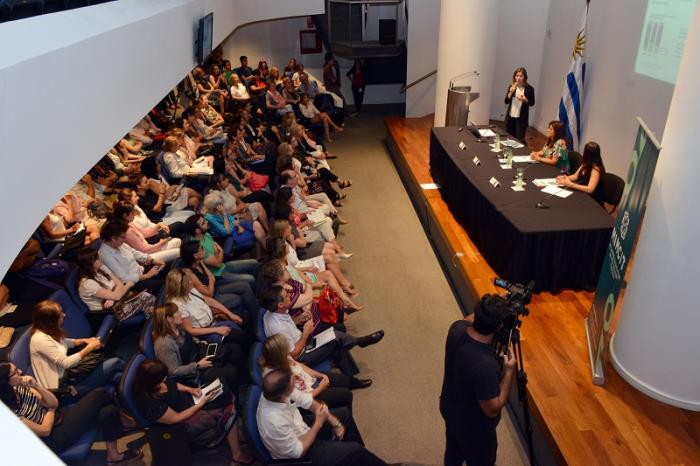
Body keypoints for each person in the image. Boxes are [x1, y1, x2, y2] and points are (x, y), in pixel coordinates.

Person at [0, 363, 141, 464]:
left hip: (58, 418)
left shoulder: (21, 388)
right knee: (100, 393)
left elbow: (53, 402)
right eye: (15, 372)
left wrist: (36, 385)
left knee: (107, 411)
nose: (20, 371)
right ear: (6, 382)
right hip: (53, 439)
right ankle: (129, 419)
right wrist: (51, 410)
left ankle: (113, 456)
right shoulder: (10, 414)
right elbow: (45, 431)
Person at [440, 294, 516, 466]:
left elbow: (468, 319)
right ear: (497, 327)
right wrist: (509, 371)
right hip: (474, 429)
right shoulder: (485, 366)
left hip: (450, 410)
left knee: (453, 455)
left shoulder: (456, 329)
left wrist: (491, 307)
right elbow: (492, 408)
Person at [132, 359, 252, 465]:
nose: (165, 379)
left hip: (190, 403)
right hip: (182, 425)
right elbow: (176, 418)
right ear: (152, 381)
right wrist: (201, 404)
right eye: (162, 378)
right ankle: (237, 454)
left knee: (226, 395)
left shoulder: (157, 379)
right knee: (228, 408)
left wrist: (190, 389)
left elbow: (174, 384)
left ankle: (231, 432)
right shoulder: (149, 403)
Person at [257, 368, 388, 465]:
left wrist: (333, 422)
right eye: (293, 383)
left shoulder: (273, 392)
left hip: (300, 428)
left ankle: (361, 460)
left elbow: (306, 400)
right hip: (302, 453)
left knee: (344, 415)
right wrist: (319, 422)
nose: (296, 381)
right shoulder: (273, 421)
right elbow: (298, 451)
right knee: (355, 449)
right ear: (284, 393)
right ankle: (361, 457)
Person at [259, 285, 382, 388]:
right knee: (335, 339)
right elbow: (294, 354)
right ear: (280, 304)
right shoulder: (277, 328)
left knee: (337, 341)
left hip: (303, 342)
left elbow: (287, 323)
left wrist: (299, 319)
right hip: (302, 355)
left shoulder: (274, 312)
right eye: (286, 296)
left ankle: (352, 381)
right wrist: (306, 332)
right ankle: (360, 342)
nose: (290, 296)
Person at [29, 300, 125, 400]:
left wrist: (85, 340)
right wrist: (90, 347)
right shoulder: (40, 340)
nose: (64, 315)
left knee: (116, 376)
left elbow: (65, 342)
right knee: (115, 363)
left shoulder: (47, 331)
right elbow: (65, 363)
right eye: (60, 314)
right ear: (51, 321)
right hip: (63, 389)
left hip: (71, 375)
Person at [152, 304, 244, 391]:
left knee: (235, 350)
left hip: (201, 354)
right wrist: (197, 366)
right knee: (231, 372)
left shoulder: (178, 327)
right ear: (169, 319)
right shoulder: (164, 344)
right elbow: (173, 371)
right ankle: (237, 397)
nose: (181, 313)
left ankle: (241, 384)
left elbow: (191, 340)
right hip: (195, 372)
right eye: (177, 312)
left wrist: (201, 343)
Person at [259, 334, 352, 410]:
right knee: (346, 395)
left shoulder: (283, 357)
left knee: (342, 380)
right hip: (310, 396)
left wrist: (319, 375)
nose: (289, 349)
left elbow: (301, 366)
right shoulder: (277, 378)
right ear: (279, 354)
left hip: (312, 382)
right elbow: (300, 401)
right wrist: (321, 387)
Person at [98, 220, 167, 292]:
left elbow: (135, 253)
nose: (125, 239)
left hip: (141, 271)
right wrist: (147, 276)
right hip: (133, 284)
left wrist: (152, 260)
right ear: (113, 238)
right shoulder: (105, 254)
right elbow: (123, 278)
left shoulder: (118, 244)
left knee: (169, 268)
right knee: (165, 285)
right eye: (123, 237)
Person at [556, 141, 606, 205]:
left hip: (592, 200)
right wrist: (564, 178)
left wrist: (570, 184)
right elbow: (575, 176)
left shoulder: (596, 169)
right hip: (583, 193)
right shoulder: (586, 162)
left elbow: (590, 189)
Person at [504, 67, 535, 141]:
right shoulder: (511, 87)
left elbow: (532, 103)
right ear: (514, 77)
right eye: (517, 76)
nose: (518, 78)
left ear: (525, 77)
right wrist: (510, 92)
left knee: (519, 139)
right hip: (511, 116)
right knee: (509, 137)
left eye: (521, 76)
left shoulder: (529, 89)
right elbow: (506, 101)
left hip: (521, 118)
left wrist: (525, 100)